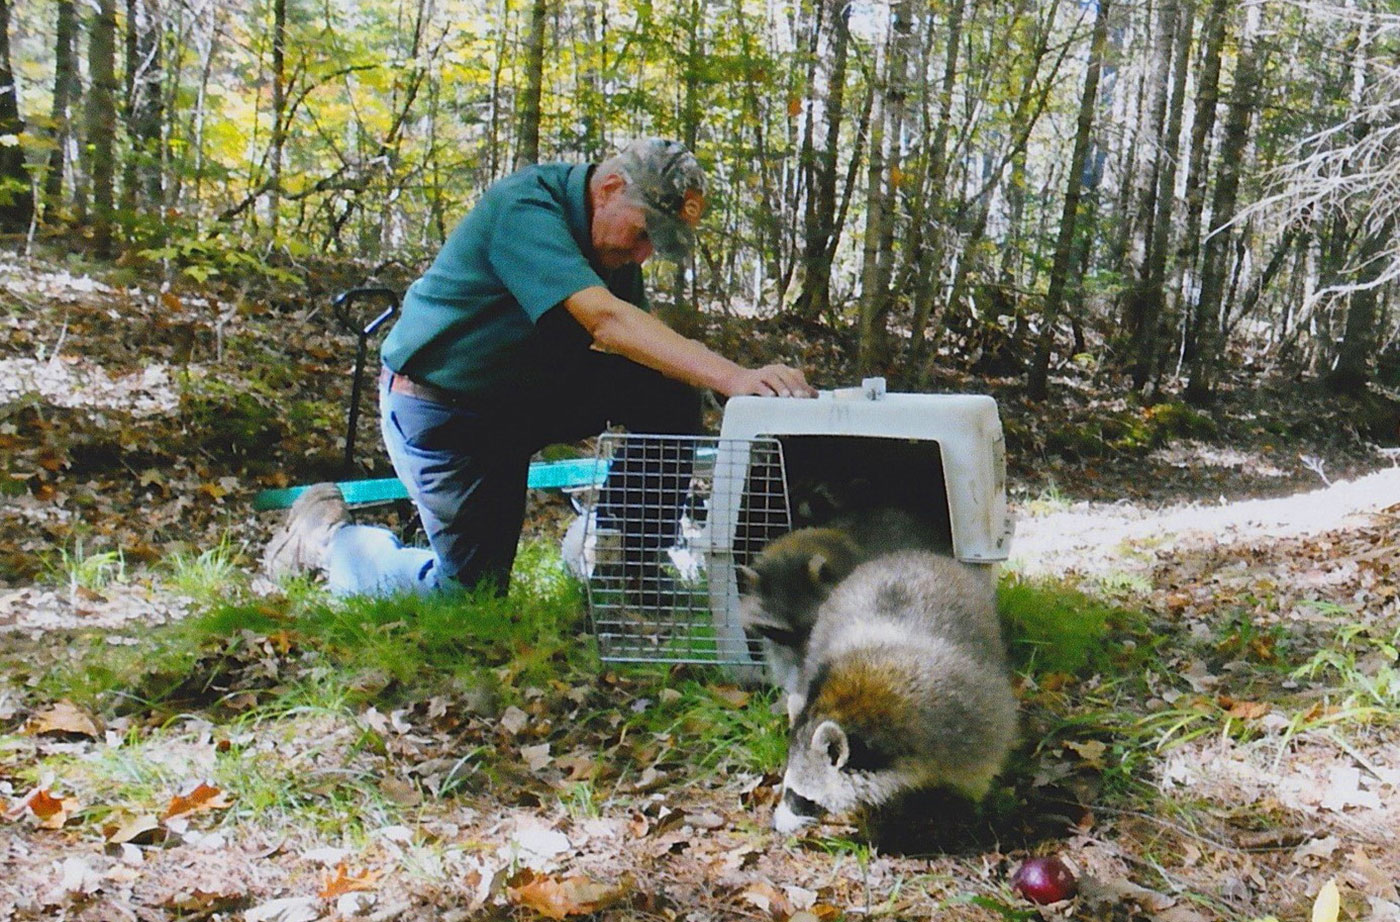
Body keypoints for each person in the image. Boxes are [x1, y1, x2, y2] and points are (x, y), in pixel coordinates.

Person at [265, 138, 815, 597]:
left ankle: (626, 561)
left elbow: (639, 341)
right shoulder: (527, 208)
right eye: (644, 233)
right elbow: (604, 321)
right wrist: (729, 374)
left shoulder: (611, 245)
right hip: (444, 410)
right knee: (468, 594)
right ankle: (328, 542)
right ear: (610, 189)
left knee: (668, 387)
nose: (644, 254)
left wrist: (730, 388)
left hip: (525, 394)